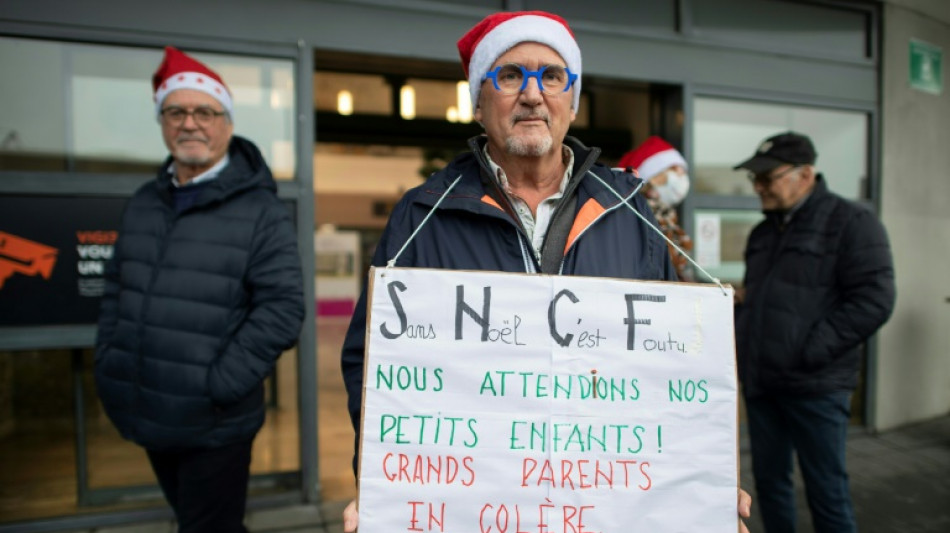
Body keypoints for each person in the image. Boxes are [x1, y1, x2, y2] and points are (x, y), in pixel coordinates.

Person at [340, 10, 751, 532]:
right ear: (479, 102)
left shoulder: (628, 209)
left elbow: (674, 367)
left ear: (571, 103)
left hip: (604, 503)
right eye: (510, 75)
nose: (533, 94)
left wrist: (699, 487)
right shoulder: (422, 214)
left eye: (552, 76)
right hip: (472, 504)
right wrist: (383, 485)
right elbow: (371, 364)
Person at [94, 46, 305, 533]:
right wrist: (110, 358)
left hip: (215, 422)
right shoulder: (145, 201)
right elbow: (116, 287)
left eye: (204, 112)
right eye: (176, 111)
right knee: (195, 519)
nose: (190, 124)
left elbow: (283, 308)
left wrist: (221, 385)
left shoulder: (260, 209)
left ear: (226, 124)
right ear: (163, 122)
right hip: (146, 404)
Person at [733, 131, 895, 533]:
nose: (759, 187)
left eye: (768, 178)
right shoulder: (763, 234)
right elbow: (762, 298)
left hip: (817, 386)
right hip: (763, 384)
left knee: (827, 491)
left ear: (806, 175)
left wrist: (809, 349)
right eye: (756, 179)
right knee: (770, 487)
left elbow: (875, 299)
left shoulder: (852, 223)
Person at [617, 135, 694, 280]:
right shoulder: (636, 216)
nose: (681, 175)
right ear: (652, 176)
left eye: (682, 171)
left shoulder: (667, 216)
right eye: (674, 169)